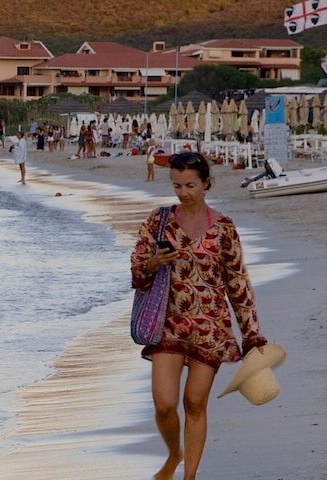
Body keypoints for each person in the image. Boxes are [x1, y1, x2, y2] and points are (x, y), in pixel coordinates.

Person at [131, 152, 269, 480]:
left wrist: (252, 334)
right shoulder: (158, 220)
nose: (183, 192)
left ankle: (189, 476)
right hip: (169, 324)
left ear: (206, 182)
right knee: (165, 404)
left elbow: (237, 283)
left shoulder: (224, 229)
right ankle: (173, 453)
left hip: (210, 327)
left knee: (194, 403)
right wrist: (153, 263)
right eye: (177, 186)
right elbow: (136, 272)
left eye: (190, 185)